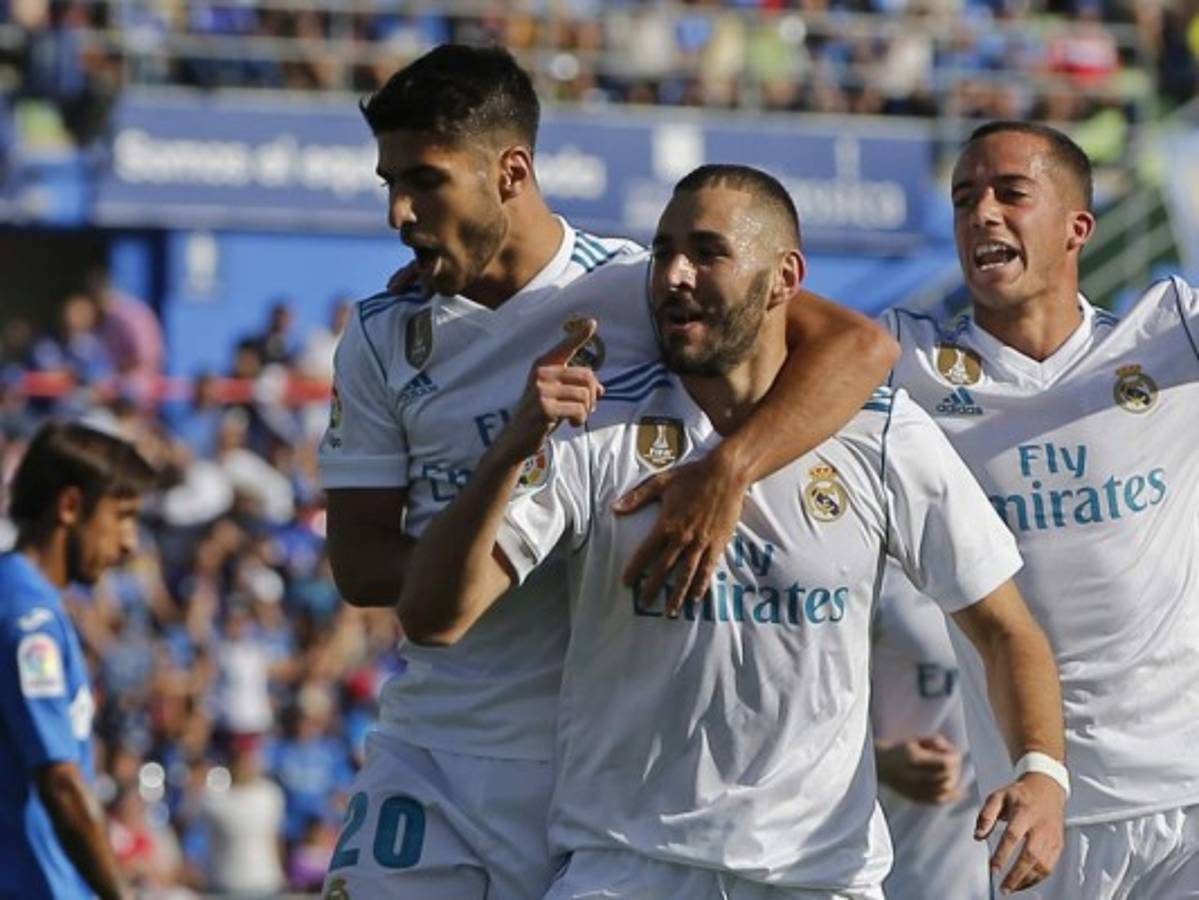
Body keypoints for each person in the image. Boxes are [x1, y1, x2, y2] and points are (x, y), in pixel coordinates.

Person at [318, 45, 899, 899]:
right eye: (388, 184)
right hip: (436, 747)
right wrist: (517, 536)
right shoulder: (380, 336)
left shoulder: (641, 288)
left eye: (425, 181)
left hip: (592, 769)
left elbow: (860, 347)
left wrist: (727, 472)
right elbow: (363, 567)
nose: (399, 212)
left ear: (509, 171)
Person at [398, 164, 1068, 898]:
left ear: (784, 279)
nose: (673, 275)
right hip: (626, 872)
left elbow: (1007, 628)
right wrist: (510, 448)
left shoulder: (880, 435)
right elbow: (436, 616)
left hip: (821, 879)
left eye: (708, 253)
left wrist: (1041, 772)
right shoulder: (598, 430)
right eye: (661, 252)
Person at [883, 120, 1199, 898]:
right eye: (963, 199)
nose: (980, 213)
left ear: (1076, 227)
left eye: (1009, 193)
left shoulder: (1169, 335)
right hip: (1038, 814)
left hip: (1186, 794)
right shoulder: (910, 369)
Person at [0, 421, 155, 899]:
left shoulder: (27, 600)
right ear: (70, 506)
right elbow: (62, 782)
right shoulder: (30, 620)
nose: (129, 542)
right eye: (122, 516)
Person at [870, 560, 989, 899]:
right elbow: (807, 723)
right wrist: (882, 762)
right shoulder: (877, 575)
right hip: (910, 867)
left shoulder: (1023, 557)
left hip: (1029, 862)